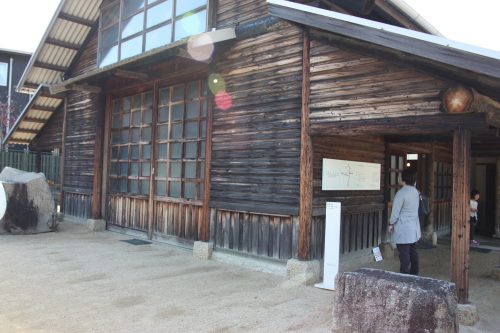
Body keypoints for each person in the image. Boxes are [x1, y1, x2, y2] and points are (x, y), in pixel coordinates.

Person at [388, 169, 420, 275]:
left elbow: (395, 212)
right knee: (412, 251)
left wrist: (391, 223)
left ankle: (404, 274)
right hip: (414, 226)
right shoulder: (416, 192)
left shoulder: (401, 193)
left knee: (404, 253)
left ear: (403, 179)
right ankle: (415, 273)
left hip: (403, 227)